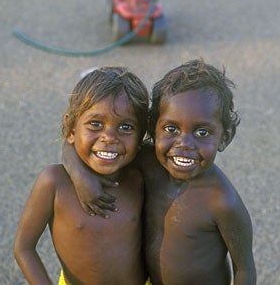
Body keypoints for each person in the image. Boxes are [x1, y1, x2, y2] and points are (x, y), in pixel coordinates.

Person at [62, 59, 257, 284]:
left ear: (225, 136)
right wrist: (80, 176)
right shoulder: (147, 161)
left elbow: (244, 269)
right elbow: (71, 142)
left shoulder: (222, 201)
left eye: (202, 132)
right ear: (153, 128)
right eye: (171, 128)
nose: (184, 143)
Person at [14, 66, 150, 285]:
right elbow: (24, 247)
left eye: (126, 127)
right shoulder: (54, 182)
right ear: (71, 128)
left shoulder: (140, 176)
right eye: (96, 124)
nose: (109, 138)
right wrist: (78, 174)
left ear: (140, 136)